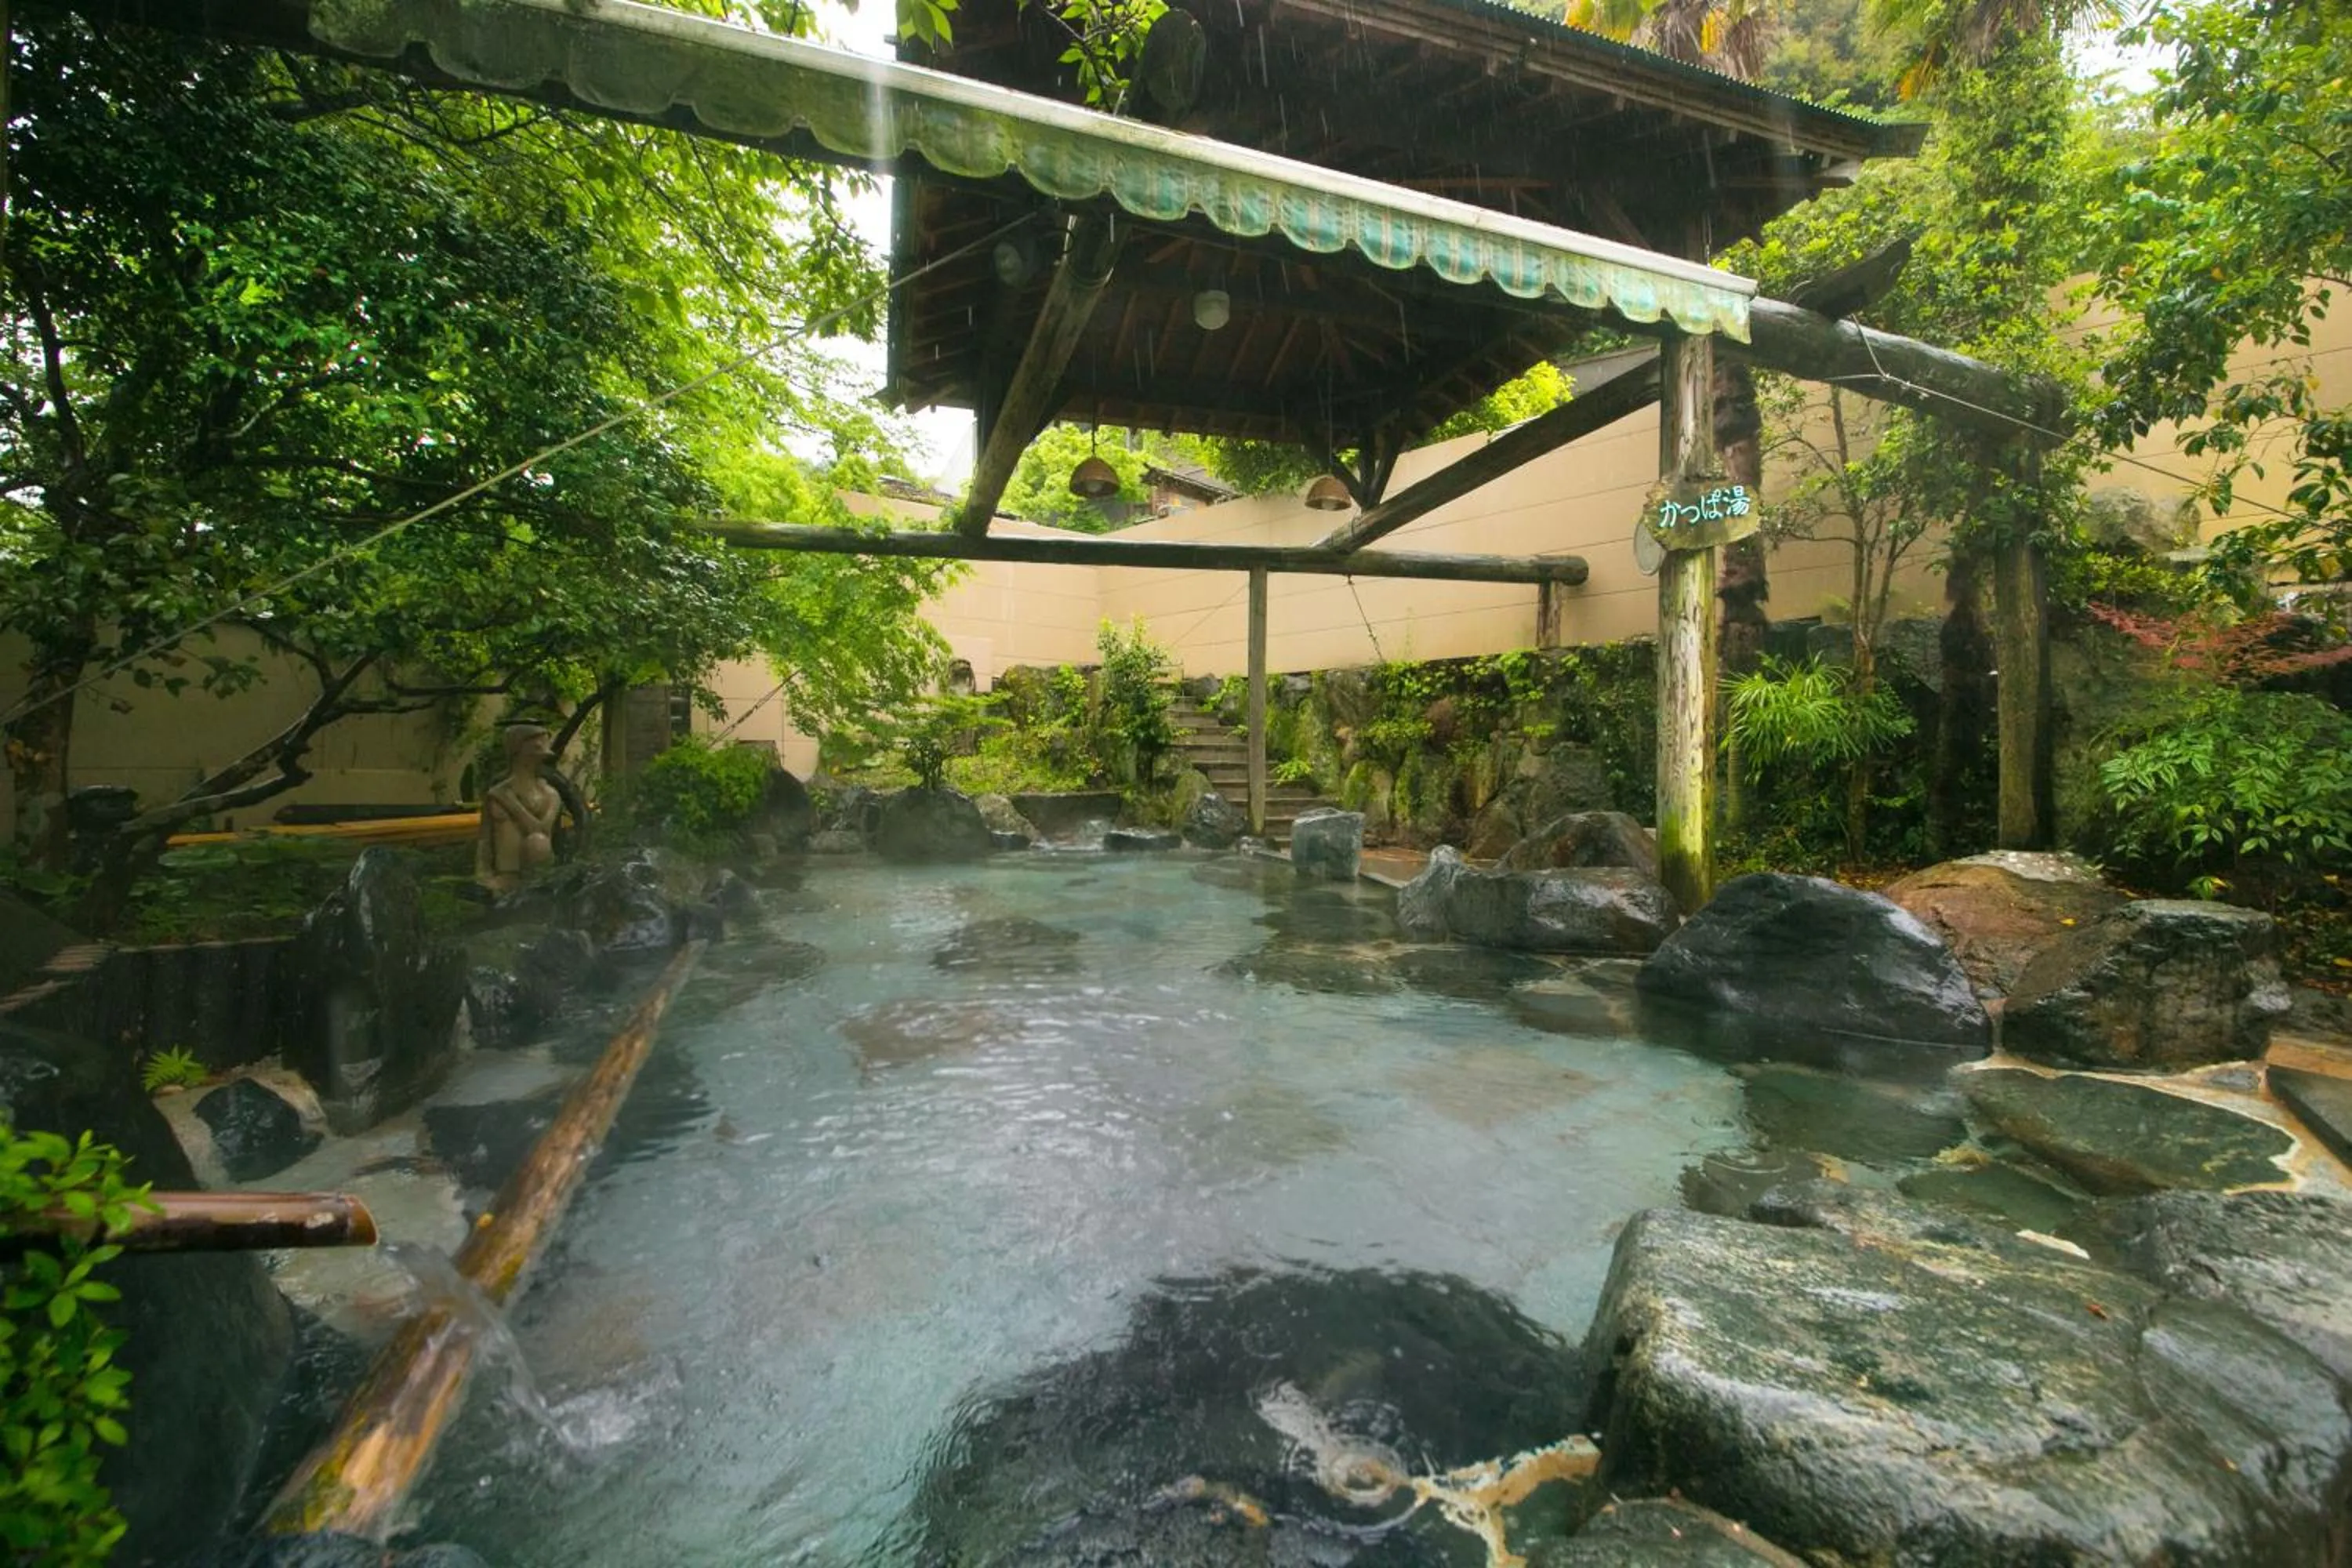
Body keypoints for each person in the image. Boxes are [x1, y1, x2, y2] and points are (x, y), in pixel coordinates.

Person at [476, 723, 564, 893]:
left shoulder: (550, 794)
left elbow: (542, 831)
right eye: (534, 747)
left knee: (537, 842)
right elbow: (485, 837)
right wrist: (483, 873)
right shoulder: (497, 792)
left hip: (536, 879)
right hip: (504, 877)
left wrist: (510, 802)